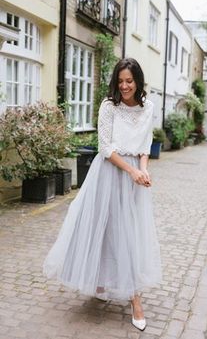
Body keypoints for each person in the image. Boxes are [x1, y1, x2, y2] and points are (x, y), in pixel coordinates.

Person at [43, 58, 162, 331]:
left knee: (131, 234)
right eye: (120, 81)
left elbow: (145, 146)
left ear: (138, 81)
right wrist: (131, 172)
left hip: (133, 179)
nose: (124, 86)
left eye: (129, 81)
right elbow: (105, 148)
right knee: (103, 228)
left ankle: (135, 299)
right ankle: (100, 281)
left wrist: (143, 171)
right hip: (109, 173)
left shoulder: (149, 108)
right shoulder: (109, 106)